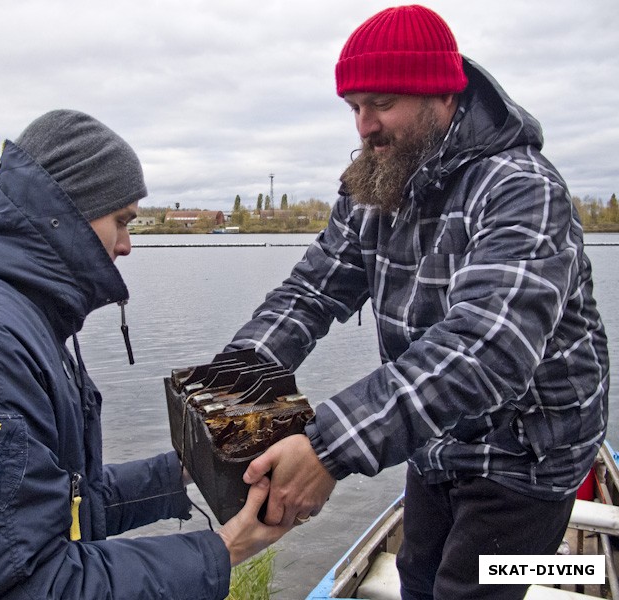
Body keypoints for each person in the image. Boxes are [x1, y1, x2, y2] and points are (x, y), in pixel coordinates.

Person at [0, 110, 290, 599]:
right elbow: (34, 583)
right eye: (122, 221)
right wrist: (224, 549)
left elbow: (62, 503)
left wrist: (191, 465)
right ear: (69, 211)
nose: (128, 245)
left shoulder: (13, 318)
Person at [225, 5, 610, 599]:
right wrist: (232, 382)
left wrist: (327, 448)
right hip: (437, 439)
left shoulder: (521, 187)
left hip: (528, 457)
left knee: (478, 586)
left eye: (381, 103)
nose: (364, 126)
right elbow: (308, 294)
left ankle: (570, 569)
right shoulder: (375, 185)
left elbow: (488, 349)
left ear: (443, 96)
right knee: (417, 580)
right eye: (353, 107)